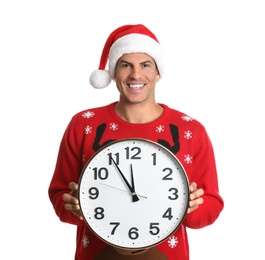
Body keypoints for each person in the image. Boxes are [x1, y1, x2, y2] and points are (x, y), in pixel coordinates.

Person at [48, 24, 224, 260]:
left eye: (145, 65)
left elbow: (212, 203)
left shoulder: (190, 130)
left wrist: (192, 208)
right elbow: (59, 194)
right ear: (113, 72)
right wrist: (73, 207)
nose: (136, 75)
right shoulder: (83, 125)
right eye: (126, 65)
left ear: (158, 72)